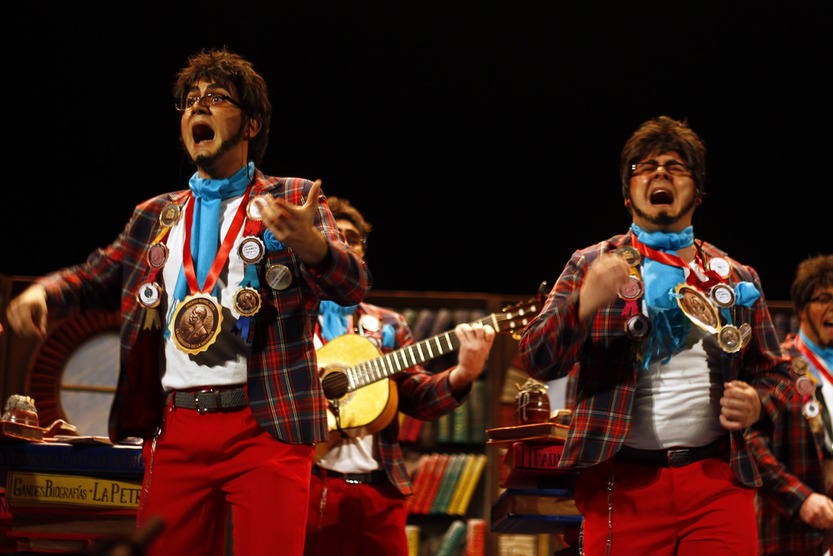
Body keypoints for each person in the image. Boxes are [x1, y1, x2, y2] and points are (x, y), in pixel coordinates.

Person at [5, 49, 371, 556]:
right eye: (189, 101)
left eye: (217, 98)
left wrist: (315, 247)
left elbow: (352, 286)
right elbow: (97, 275)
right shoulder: (154, 215)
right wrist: (46, 291)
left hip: (264, 426)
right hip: (175, 425)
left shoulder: (294, 198)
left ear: (251, 123)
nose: (198, 107)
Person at [518, 116, 788, 555]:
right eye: (645, 167)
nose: (660, 172)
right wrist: (584, 304)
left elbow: (778, 374)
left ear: (697, 192)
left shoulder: (734, 277)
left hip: (717, 483)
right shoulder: (591, 263)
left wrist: (759, 402)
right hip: (620, 486)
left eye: (676, 167)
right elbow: (536, 358)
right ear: (628, 194)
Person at [304, 197, 495, 556]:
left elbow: (419, 396)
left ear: (362, 254)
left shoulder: (388, 326)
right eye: (331, 236)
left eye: (352, 238)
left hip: (379, 495)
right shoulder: (289, 323)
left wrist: (465, 372)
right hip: (306, 485)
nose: (343, 243)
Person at [747, 254, 833, 555]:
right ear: (801, 308)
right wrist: (801, 499)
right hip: (792, 532)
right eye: (824, 298)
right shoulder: (778, 365)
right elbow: (751, 444)